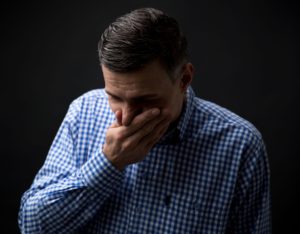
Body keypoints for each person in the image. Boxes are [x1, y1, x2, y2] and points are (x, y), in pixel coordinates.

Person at [19, 7, 271, 234]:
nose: (126, 117)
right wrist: (108, 163)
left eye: (146, 100)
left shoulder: (240, 144)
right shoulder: (83, 112)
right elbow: (32, 225)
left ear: (184, 79)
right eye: (114, 97)